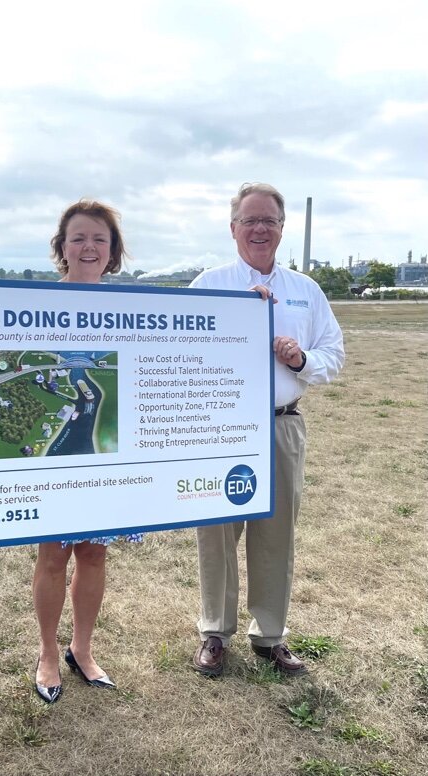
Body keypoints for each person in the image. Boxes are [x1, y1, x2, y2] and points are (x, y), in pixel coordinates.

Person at [189, 182, 344, 678]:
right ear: (232, 227)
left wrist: (301, 358)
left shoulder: (305, 291)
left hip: (281, 426)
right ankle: (215, 631)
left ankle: (270, 635)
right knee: (217, 530)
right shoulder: (209, 284)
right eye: (250, 220)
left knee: (276, 532)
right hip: (222, 426)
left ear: (282, 229)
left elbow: (332, 355)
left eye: (269, 221)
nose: (260, 229)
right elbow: (179, 353)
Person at [33, 200, 143, 704]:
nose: (89, 247)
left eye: (100, 239)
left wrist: (248, 311)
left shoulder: (130, 310)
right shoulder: (34, 305)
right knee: (53, 553)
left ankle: (81, 648)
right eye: (78, 238)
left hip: (110, 454)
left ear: (113, 250)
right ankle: (47, 654)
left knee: (94, 552)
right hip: (57, 453)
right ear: (62, 247)